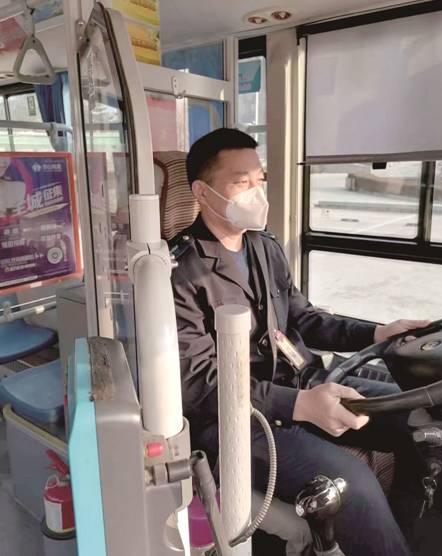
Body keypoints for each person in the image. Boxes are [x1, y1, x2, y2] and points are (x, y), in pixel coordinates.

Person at [170, 128, 428, 556]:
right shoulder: (180, 271)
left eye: (259, 179)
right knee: (352, 484)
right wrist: (299, 405)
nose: (256, 193)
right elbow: (196, 383)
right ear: (202, 191)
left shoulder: (263, 246)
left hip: (305, 382)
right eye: (241, 182)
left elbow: (305, 318)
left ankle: (412, 528)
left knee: (417, 416)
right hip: (239, 419)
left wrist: (377, 332)